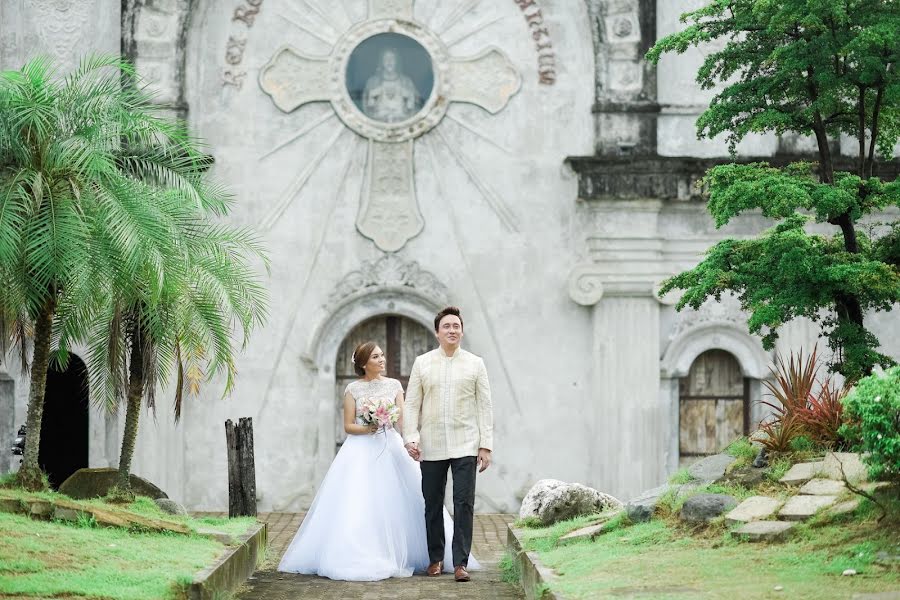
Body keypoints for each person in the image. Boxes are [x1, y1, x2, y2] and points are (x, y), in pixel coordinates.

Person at [277, 341, 478, 581]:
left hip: (391, 445)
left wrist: (411, 442)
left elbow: (404, 419)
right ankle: (365, 550)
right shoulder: (353, 389)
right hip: (361, 450)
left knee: (405, 497)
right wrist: (370, 426)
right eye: (375, 357)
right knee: (362, 499)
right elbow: (348, 426)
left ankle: (433, 556)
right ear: (364, 363)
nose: (382, 360)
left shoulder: (394, 386)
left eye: (382, 355)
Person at [403, 306, 494, 583]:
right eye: (447, 326)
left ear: (462, 331)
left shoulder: (475, 363)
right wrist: (411, 438)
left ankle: (460, 563)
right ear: (437, 332)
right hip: (431, 445)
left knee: (463, 503)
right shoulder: (423, 363)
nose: (452, 330)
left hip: (467, 443)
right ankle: (435, 559)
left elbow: (485, 406)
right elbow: (411, 404)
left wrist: (485, 445)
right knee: (432, 503)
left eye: (456, 326)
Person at [362, 48, 420, 122]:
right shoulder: (373, 82)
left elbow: (417, 105)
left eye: (392, 58)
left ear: (397, 61)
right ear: (381, 62)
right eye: (386, 58)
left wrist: (410, 99)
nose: (389, 61)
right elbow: (366, 109)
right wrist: (371, 100)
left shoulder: (406, 82)